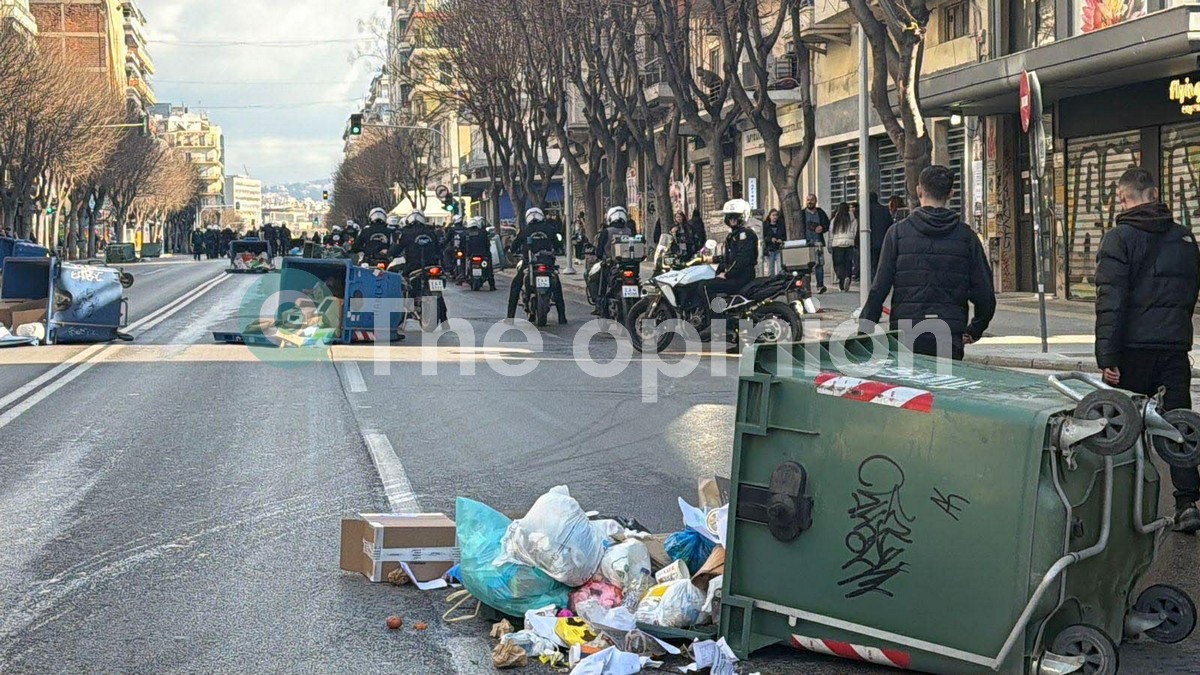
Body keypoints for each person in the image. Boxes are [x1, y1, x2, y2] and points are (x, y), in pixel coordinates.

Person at [1094, 167, 1200, 533]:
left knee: (1125, 425)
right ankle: (1187, 503)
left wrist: (1108, 358)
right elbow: (1189, 295)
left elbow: (1111, 303)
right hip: (1173, 346)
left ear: (1124, 198)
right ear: (1154, 194)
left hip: (1132, 350)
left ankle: (1130, 504)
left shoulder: (1119, 238)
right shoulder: (1185, 238)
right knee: (1177, 425)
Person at [861, 165, 996, 361]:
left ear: (919, 191)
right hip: (948, 334)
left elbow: (879, 287)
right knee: (945, 388)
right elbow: (985, 293)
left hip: (905, 334)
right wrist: (975, 329)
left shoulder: (897, 233)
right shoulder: (966, 237)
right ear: (951, 193)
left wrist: (864, 330)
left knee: (909, 390)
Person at [701, 200, 759, 322]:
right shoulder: (734, 235)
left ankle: (715, 320)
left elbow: (741, 260)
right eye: (730, 217)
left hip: (741, 277)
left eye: (736, 217)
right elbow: (729, 258)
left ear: (742, 217)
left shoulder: (745, 235)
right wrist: (711, 259)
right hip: (737, 275)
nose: (732, 220)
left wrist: (726, 274)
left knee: (704, 286)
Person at [507, 207, 567, 324]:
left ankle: (510, 316)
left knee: (515, 286)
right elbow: (559, 243)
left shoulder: (525, 230)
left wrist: (512, 250)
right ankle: (562, 316)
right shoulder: (550, 228)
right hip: (548, 264)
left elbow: (514, 245)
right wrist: (559, 248)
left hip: (529, 264)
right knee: (557, 288)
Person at [392, 210, 448, 324]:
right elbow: (439, 248)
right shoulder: (431, 232)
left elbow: (396, 249)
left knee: (404, 285)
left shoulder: (406, 233)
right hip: (433, 266)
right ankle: (444, 319)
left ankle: (403, 314)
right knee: (438, 293)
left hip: (414, 267)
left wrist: (390, 254)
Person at [589, 206, 634, 316]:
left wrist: (600, 256)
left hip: (610, 266)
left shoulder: (606, 232)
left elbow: (599, 252)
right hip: (631, 266)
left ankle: (600, 304)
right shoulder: (629, 231)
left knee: (595, 279)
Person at [801, 195, 830, 293]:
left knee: (819, 264)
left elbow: (827, 224)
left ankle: (820, 285)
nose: (810, 202)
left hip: (818, 243)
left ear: (816, 201)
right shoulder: (802, 213)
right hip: (806, 244)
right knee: (806, 266)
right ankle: (805, 287)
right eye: (808, 200)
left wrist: (822, 228)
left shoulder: (820, 212)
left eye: (812, 200)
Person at [829, 203, 858, 292]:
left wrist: (830, 244)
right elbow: (855, 231)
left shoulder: (835, 220)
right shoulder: (853, 219)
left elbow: (831, 233)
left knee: (838, 264)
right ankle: (846, 280)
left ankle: (842, 279)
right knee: (848, 264)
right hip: (849, 244)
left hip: (837, 244)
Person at [463, 216, 497, 291]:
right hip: (483, 254)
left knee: (465, 263)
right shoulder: (483, 232)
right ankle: (492, 285)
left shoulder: (467, 233)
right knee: (489, 268)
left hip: (471, 255)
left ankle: (464, 275)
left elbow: (463, 244)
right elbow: (487, 244)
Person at [869, 192, 895, 276]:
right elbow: (890, 224)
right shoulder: (884, 209)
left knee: (872, 263)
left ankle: (873, 279)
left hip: (870, 241)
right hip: (883, 240)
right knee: (882, 262)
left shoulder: (866, 210)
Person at [762, 208, 786, 276]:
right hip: (770, 249)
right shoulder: (765, 225)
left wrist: (781, 240)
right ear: (769, 216)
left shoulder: (781, 225)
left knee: (780, 268)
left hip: (779, 248)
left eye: (776, 215)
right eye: (773, 215)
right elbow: (763, 237)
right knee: (770, 269)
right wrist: (770, 239)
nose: (775, 217)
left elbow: (784, 235)